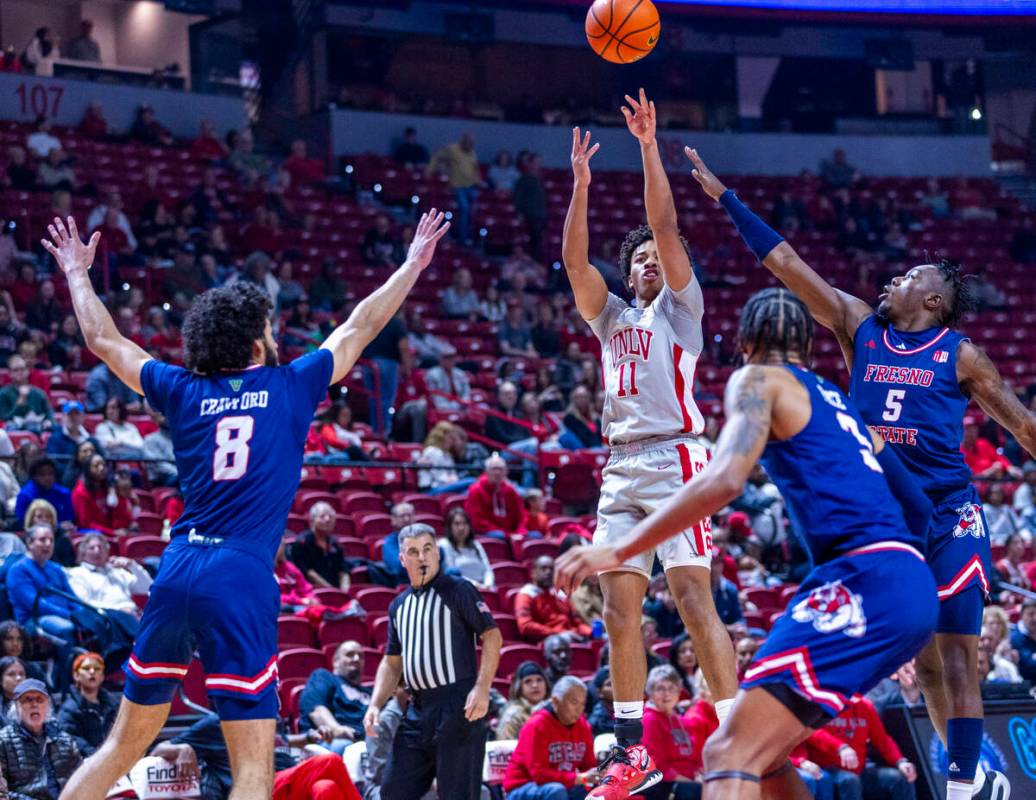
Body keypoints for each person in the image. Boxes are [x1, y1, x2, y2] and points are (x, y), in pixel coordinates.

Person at [41, 209, 450, 800]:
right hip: (239, 574)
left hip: (178, 568)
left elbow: (104, 340)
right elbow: (359, 327)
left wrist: (78, 273)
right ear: (257, 334)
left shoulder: (182, 388)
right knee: (255, 772)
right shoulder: (290, 384)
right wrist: (412, 264)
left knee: (119, 748)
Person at [686, 148, 1033, 800]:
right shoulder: (858, 327)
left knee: (959, 656)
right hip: (892, 515)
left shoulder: (964, 355)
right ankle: (964, 784)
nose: (892, 281)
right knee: (925, 666)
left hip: (950, 507)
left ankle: (965, 789)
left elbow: (1021, 427)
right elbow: (787, 266)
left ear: (932, 298)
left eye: (907, 277)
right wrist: (727, 199)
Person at [556, 287, 940, 800]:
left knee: (726, 753)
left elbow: (725, 481)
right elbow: (918, 506)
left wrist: (620, 551)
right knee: (767, 756)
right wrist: (901, 592)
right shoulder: (837, 401)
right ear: (806, 347)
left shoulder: (757, 379)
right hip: (909, 581)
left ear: (741, 344)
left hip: (863, 577)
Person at [560, 94, 738, 798]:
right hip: (621, 466)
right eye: (638, 258)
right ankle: (633, 751)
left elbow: (664, 223)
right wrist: (579, 187)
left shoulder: (683, 310)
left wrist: (645, 145)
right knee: (618, 609)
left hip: (677, 458)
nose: (650, 262)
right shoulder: (610, 319)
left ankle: (733, 738)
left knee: (694, 603)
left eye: (660, 257)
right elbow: (575, 265)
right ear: (628, 271)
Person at [362, 523, 502, 800]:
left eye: (427, 549)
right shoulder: (398, 606)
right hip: (417, 709)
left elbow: (493, 637)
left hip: (459, 706)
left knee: (457, 795)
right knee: (393, 790)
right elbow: (392, 662)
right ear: (402, 559)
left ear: (437, 553)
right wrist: (375, 704)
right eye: (413, 552)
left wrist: (482, 688)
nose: (422, 557)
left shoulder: (459, 590)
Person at [502, 675, 601, 800]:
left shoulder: (583, 726)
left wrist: (598, 775)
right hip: (522, 787)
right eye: (574, 702)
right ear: (555, 701)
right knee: (556, 791)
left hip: (560, 785)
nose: (579, 709)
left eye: (583, 704)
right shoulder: (536, 725)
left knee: (594, 791)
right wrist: (579, 778)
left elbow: (588, 766)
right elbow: (539, 775)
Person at [807, 695, 917, 800]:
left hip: (859, 771)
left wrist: (900, 761)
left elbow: (882, 740)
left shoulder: (865, 705)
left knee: (899, 778)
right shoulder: (824, 703)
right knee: (850, 780)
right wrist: (840, 747)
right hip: (827, 769)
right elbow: (811, 732)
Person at [0, 679, 82, 795]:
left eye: (40, 700)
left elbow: (82, 779)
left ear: (48, 705)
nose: (34, 704)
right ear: (16, 706)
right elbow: (2, 793)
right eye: (27, 700)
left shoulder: (65, 740)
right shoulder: (3, 741)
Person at [7, 524, 81, 643]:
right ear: (30, 543)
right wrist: (69, 615)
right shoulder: (18, 570)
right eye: (42, 540)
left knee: (97, 620)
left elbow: (71, 597)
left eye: (51, 540)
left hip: (63, 615)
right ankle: (69, 661)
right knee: (66, 628)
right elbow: (35, 605)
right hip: (33, 621)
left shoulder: (56, 568)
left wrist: (83, 613)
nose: (48, 544)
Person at [299, 641, 372, 754]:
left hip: (367, 740)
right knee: (349, 748)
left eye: (361, 656)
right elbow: (316, 711)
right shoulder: (324, 677)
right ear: (335, 661)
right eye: (350, 654)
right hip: (333, 741)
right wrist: (337, 729)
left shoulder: (369, 692)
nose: (356, 658)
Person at [641, 665, 702, 800]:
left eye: (671, 688)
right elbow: (656, 765)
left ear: (679, 690)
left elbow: (696, 757)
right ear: (650, 692)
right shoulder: (649, 719)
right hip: (662, 784)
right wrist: (690, 782)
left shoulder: (682, 720)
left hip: (688, 782)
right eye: (660, 688)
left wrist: (699, 774)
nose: (666, 693)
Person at [66, 533, 152, 616]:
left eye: (101, 547)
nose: (97, 551)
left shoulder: (117, 571)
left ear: (107, 551)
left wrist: (132, 565)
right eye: (92, 548)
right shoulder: (77, 573)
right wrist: (118, 609)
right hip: (107, 617)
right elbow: (84, 602)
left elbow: (147, 587)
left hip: (132, 614)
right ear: (83, 554)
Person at [516, 557, 592, 643]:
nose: (548, 572)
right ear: (533, 573)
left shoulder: (560, 594)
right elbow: (525, 626)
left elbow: (576, 622)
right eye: (543, 568)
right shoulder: (526, 594)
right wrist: (557, 633)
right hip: (547, 641)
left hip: (571, 636)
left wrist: (590, 632)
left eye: (552, 569)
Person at [57, 652, 119, 757]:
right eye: (86, 668)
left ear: (102, 676)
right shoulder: (69, 710)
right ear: (76, 675)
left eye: (97, 668)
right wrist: (99, 757)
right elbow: (72, 740)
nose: (92, 672)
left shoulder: (113, 705)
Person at [427, 133, 481, 245]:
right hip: (457, 186)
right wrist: (430, 170)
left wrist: (478, 180)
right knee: (464, 208)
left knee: (478, 208)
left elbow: (475, 168)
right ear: (464, 142)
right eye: (469, 144)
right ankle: (462, 239)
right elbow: (437, 156)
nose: (471, 146)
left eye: (472, 144)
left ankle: (473, 237)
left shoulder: (472, 153)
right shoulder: (452, 149)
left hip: (470, 186)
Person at [289, 502, 354, 591]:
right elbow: (309, 572)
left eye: (331, 517)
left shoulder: (336, 543)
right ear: (312, 520)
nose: (327, 519)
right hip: (312, 591)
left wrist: (344, 591)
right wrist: (330, 590)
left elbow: (343, 570)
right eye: (322, 516)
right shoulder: (302, 543)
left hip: (335, 590)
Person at [464, 453, 528, 538]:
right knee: (498, 536)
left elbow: (521, 516)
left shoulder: (510, 491)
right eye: (494, 469)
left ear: (506, 472)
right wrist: (508, 535)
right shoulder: (476, 491)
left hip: (511, 533)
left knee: (535, 536)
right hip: (487, 533)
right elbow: (477, 522)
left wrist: (520, 532)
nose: (497, 472)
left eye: (500, 469)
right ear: (486, 472)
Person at [71, 454, 135, 537]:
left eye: (103, 465)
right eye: (96, 466)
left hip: (111, 532)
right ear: (88, 469)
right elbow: (86, 524)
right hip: (91, 535)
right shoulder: (80, 492)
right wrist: (112, 533)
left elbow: (118, 516)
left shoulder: (108, 488)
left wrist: (121, 498)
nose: (101, 468)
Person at [439, 507, 494, 589]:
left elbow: (488, 570)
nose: (461, 528)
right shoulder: (445, 544)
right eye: (457, 524)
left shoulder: (476, 545)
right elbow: (452, 575)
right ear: (450, 527)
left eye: (465, 523)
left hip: (484, 589)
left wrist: (487, 585)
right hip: (460, 591)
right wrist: (475, 585)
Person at [0, 354, 54, 431]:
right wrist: (19, 404)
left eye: (22, 369)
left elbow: (49, 413)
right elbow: (4, 418)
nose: (19, 372)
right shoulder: (3, 394)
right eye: (15, 370)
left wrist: (49, 421)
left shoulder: (38, 393)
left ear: (28, 371)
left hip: (38, 429)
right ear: (10, 373)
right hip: (12, 432)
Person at [498, 661, 549, 739]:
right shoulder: (513, 716)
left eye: (539, 680)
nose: (535, 685)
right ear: (519, 687)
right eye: (528, 681)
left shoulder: (553, 710)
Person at [142, 403, 178, 486]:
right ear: (154, 419)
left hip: (181, 474)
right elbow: (158, 465)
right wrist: (179, 472)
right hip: (163, 479)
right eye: (161, 415)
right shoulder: (150, 439)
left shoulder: (179, 437)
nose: (165, 418)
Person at [1010, 599, 1036, 683]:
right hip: (1025, 688)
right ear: (1022, 615)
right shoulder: (1014, 637)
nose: (1035, 618)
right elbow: (1028, 665)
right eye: (1031, 614)